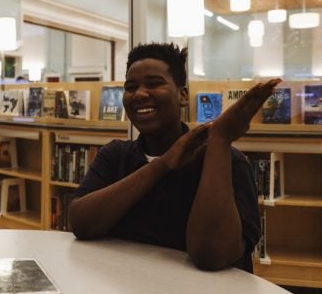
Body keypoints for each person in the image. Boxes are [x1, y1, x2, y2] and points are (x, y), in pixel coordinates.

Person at [69, 42, 280, 272]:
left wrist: (219, 140)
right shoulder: (116, 155)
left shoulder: (229, 163)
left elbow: (212, 256)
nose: (139, 94)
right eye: (130, 87)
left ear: (182, 96)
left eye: (154, 83)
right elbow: (81, 224)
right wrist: (162, 165)